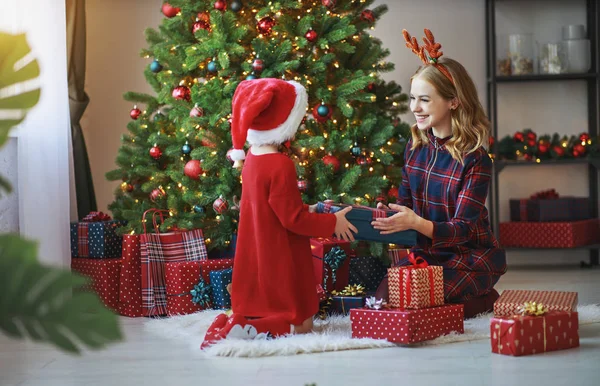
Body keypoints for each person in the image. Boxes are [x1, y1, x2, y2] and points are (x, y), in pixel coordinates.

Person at [201, 78, 357, 349]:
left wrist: (312, 208)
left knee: (271, 305)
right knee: (302, 324)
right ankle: (251, 327)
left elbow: (271, 207)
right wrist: (333, 222)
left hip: (257, 248)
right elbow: (292, 219)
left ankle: (244, 320)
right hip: (279, 253)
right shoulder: (280, 164)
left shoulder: (252, 159)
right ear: (285, 124)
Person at [371, 29, 507, 318]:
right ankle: (458, 299)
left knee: (426, 306)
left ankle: (485, 298)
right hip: (425, 256)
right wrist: (391, 214)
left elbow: (462, 230)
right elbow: (405, 204)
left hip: (467, 258)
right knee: (384, 302)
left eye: (425, 100)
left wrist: (417, 223)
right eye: (413, 98)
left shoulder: (476, 159)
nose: (415, 108)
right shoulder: (415, 146)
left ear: (453, 102)